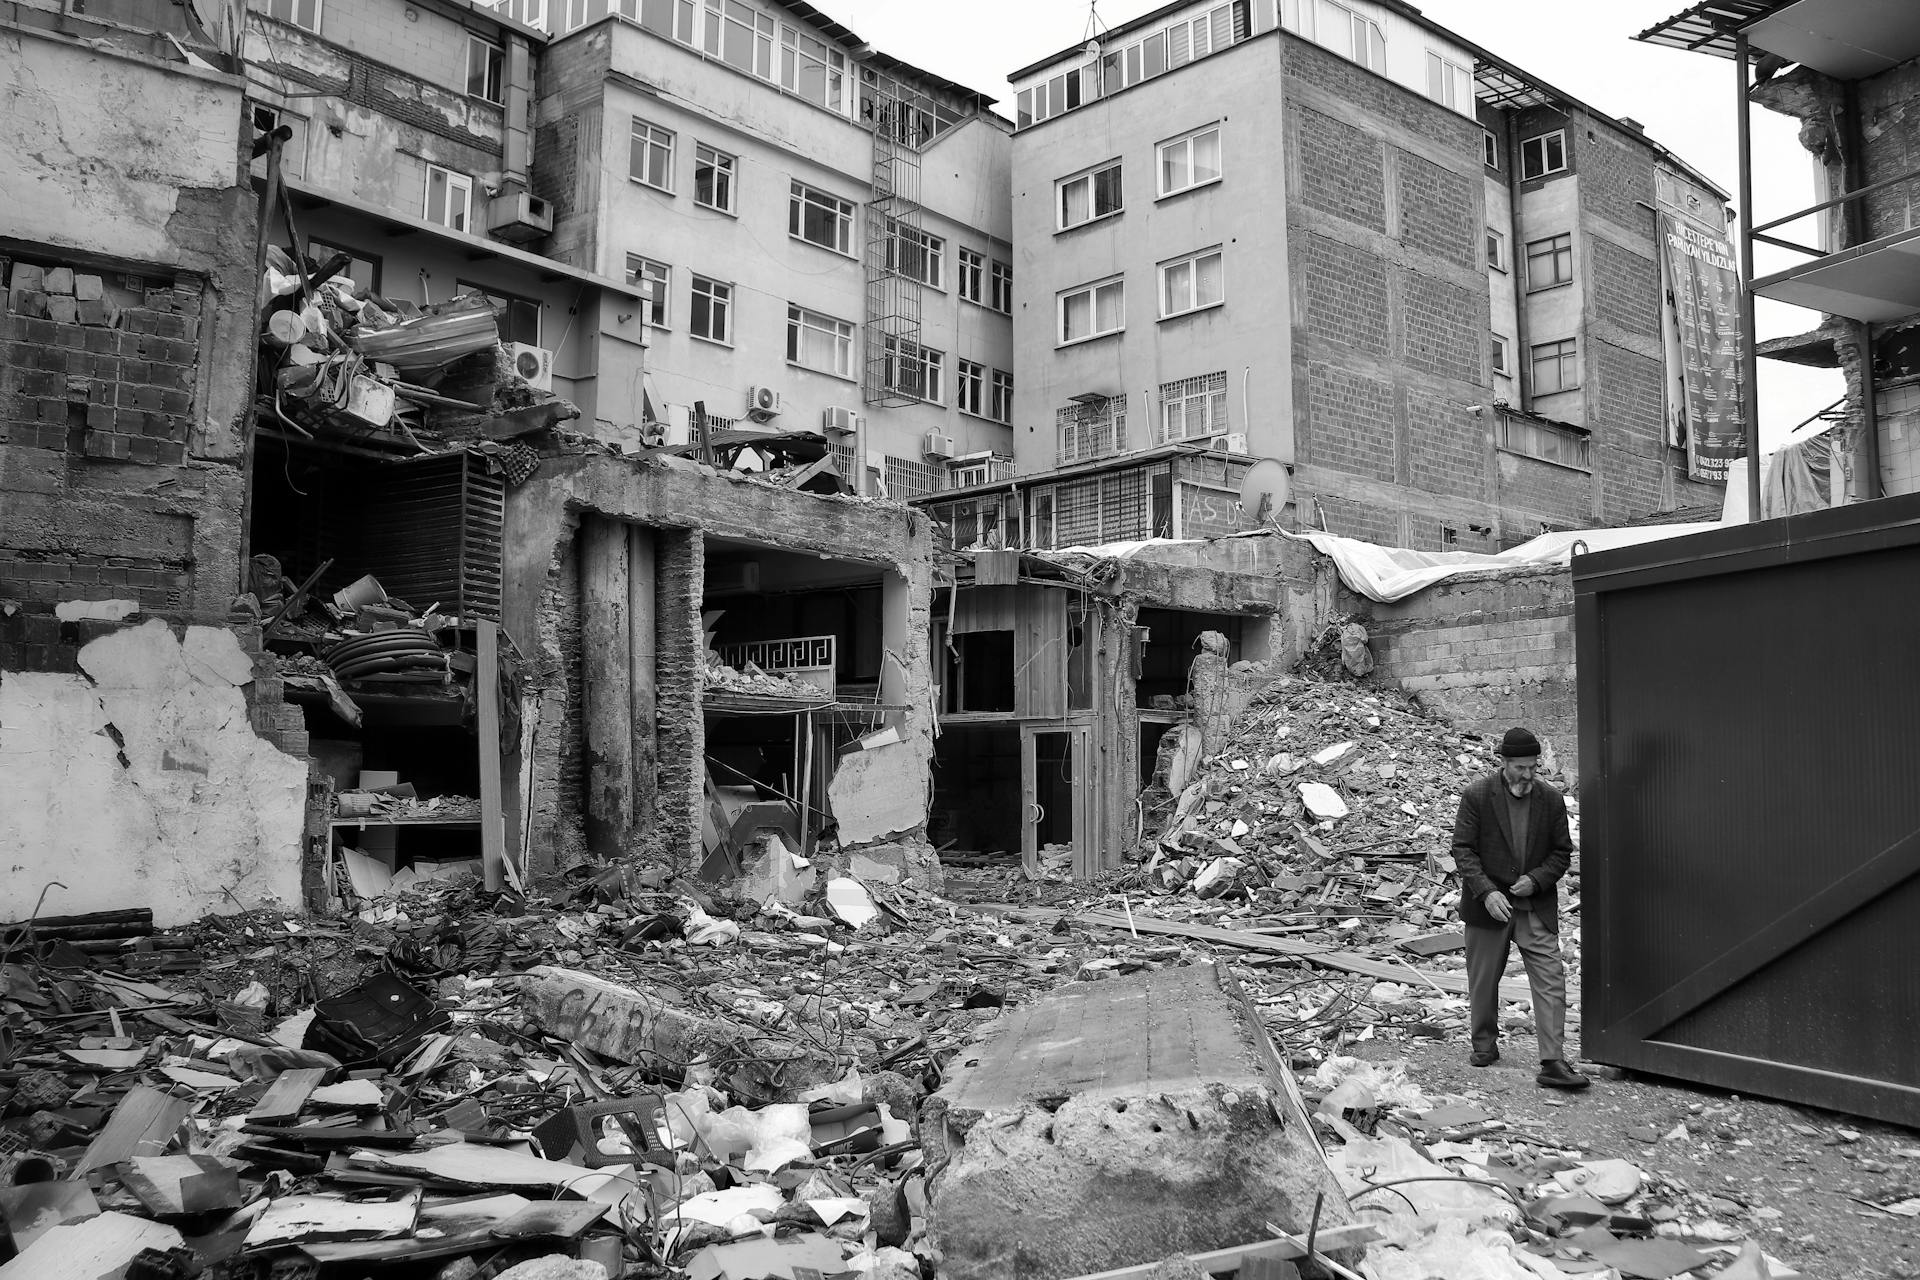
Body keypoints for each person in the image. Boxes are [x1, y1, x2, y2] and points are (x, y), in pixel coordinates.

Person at [1450, 727, 1589, 1090]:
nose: (1528, 775)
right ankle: (1484, 1045)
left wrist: (1538, 879)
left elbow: (1561, 852)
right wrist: (1486, 893)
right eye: (1521, 768)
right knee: (1482, 981)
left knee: (1550, 981)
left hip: (1534, 907)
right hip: (1488, 907)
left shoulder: (1551, 799)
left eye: (1533, 767)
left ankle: (1553, 1060)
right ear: (1505, 763)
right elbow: (1463, 850)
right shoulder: (1477, 796)